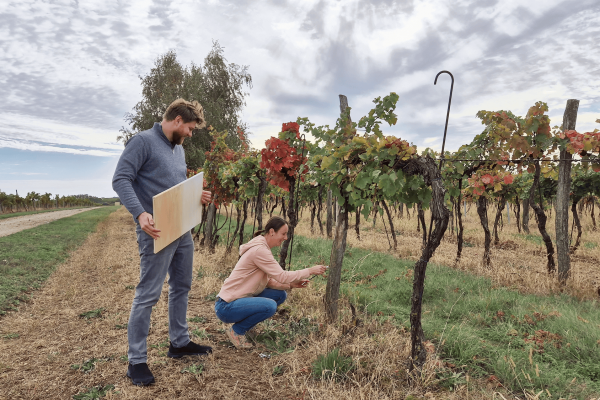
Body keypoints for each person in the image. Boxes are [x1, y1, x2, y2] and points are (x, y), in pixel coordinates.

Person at [112, 98, 213, 386]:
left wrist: (197, 196)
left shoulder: (178, 149)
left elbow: (173, 187)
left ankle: (179, 343)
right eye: (191, 128)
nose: (191, 134)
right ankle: (137, 361)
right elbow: (121, 180)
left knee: (182, 285)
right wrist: (141, 213)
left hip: (182, 230)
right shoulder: (142, 142)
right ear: (178, 120)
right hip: (155, 231)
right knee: (148, 294)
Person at [215, 216, 327, 349]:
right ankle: (237, 331)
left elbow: (270, 282)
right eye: (283, 234)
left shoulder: (262, 248)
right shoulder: (260, 251)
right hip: (226, 307)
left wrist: (291, 285)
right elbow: (282, 276)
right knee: (270, 306)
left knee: (280, 295)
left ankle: (245, 326)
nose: (286, 238)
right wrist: (310, 270)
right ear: (272, 232)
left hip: (237, 301)